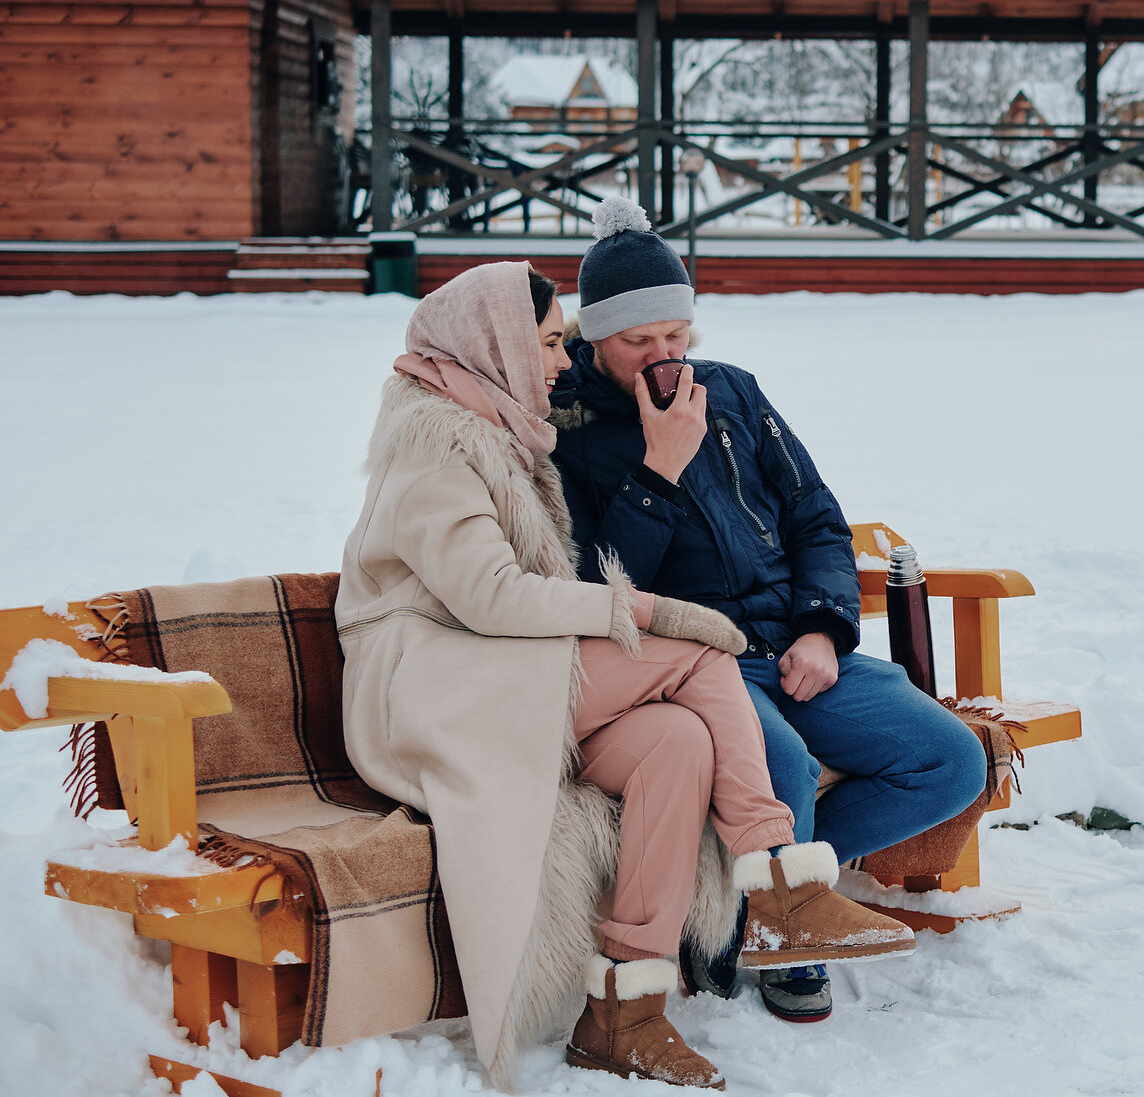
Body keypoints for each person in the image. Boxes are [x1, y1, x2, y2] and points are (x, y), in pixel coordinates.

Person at [335, 260, 916, 1092]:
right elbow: (491, 595)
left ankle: (623, 1013)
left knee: (675, 744)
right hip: (432, 698)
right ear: (494, 345)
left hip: (505, 680)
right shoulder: (440, 447)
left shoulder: (507, 426)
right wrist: (651, 613)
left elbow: (806, 516)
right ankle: (779, 881)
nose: (560, 361)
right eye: (545, 342)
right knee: (704, 653)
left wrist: (808, 624)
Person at [550, 198, 986, 1022]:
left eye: (676, 335)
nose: (663, 356)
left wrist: (823, 629)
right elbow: (598, 586)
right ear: (594, 339)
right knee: (780, 765)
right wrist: (657, 471)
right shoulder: (568, 433)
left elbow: (815, 517)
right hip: (691, 660)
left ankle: (762, 899)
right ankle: (788, 931)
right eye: (638, 341)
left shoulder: (735, 394)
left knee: (951, 763)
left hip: (793, 640)